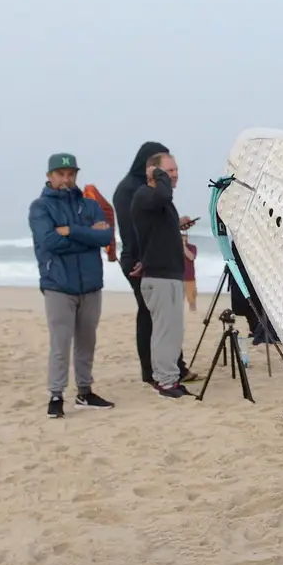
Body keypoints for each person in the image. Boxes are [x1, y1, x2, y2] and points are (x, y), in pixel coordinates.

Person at [30, 153, 117, 417]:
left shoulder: (89, 205)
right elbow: (49, 242)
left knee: (87, 341)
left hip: (90, 283)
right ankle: (56, 395)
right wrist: (86, 235)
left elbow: (105, 235)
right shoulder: (40, 207)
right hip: (58, 284)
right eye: (61, 174)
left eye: (71, 174)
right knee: (61, 342)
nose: (66, 178)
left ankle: (85, 391)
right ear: (50, 176)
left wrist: (71, 231)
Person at [129, 151, 196, 396]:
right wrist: (157, 176)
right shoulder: (145, 194)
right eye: (169, 171)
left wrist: (178, 224)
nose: (174, 175)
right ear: (153, 172)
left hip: (168, 274)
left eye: (175, 170)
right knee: (166, 331)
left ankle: (168, 378)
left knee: (172, 330)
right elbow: (163, 193)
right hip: (159, 276)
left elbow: (156, 227)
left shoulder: (158, 200)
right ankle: (165, 381)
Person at [113, 141, 169, 384]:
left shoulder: (147, 187)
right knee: (148, 314)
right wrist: (142, 260)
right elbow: (131, 230)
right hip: (137, 260)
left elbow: (152, 225)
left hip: (151, 257)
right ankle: (149, 371)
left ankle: (170, 366)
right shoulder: (128, 189)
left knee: (162, 316)